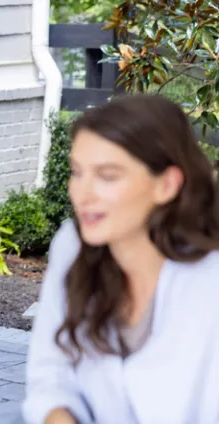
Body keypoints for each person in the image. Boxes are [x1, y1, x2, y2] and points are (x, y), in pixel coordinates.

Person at [22, 94, 219, 423]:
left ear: (166, 185)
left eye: (107, 176)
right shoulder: (71, 245)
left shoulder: (210, 282)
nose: (82, 194)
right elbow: (50, 376)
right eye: (77, 172)